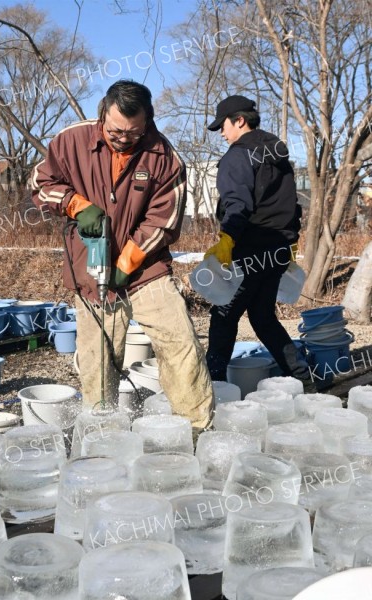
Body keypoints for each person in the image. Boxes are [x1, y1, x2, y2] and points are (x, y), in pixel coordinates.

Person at [31, 79, 214, 432]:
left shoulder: (165, 157)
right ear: (103, 114)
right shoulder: (72, 141)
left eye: (133, 132)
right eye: (116, 131)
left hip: (147, 271)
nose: (124, 139)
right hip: (92, 271)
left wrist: (127, 262)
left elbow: (165, 220)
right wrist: (75, 205)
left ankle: (195, 431)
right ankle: (104, 434)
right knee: (97, 360)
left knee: (181, 346)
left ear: (148, 122)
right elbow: (41, 183)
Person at [204, 94, 309, 382]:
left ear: (239, 121)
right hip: (277, 250)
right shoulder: (278, 155)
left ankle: (214, 389)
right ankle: (303, 379)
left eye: (223, 126)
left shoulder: (237, 156)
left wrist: (227, 238)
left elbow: (237, 204)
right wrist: (291, 242)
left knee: (224, 316)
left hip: (249, 249)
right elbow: (293, 205)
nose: (222, 134)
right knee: (262, 317)